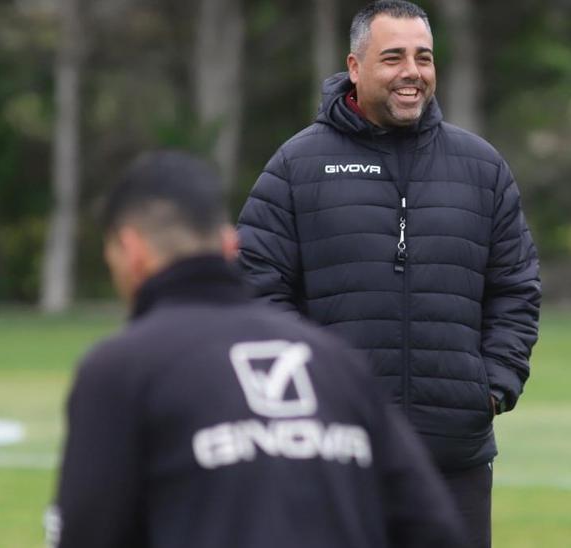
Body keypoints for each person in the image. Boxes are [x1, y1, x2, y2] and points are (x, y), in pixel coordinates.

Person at [46, 151, 464, 548]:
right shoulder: (334, 361)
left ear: (132, 250)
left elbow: (86, 534)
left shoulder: (120, 369)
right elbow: (433, 528)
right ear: (230, 246)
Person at [236, 2, 540, 545]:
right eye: (393, 57)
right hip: (331, 458)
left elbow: (516, 288)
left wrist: (490, 388)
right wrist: (312, 392)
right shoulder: (296, 166)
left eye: (423, 58)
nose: (412, 73)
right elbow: (257, 293)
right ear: (355, 67)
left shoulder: (482, 167)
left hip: (454, 459)